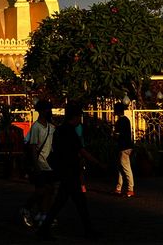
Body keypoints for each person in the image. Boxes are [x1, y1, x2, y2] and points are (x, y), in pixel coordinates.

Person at [37, 102, 99, 241]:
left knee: (62, 202)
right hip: (70, 170)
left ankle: (44, 228)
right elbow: (81, 151)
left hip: (64, 170)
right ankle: (88, 230)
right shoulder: (70, 131)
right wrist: (97, 163)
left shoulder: (59, 130)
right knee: (78, 203)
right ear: (75, 117)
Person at [21, 100, 56, 228]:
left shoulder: (50, 126)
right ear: (41, 111)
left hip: (48, 163)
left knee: (49, 190)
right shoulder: (36, 127)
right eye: (47, 109)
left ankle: (43, 213)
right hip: (40, 163)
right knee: (42, 190)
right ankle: (27, 208)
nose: (49, 111)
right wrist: (36, 166)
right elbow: (33, 147)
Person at [113, 102, 134, 197]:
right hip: (128, 146)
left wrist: (113, 135)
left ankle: (130, 189)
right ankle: (118, 187)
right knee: (121, 168)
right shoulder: (126, 120)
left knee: (125, 169)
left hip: (123, 146)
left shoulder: (120, 121)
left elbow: (118, 135)